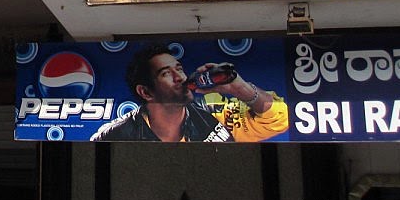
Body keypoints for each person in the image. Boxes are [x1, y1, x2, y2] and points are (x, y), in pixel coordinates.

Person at [91, 42, 288, 142]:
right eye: (166, 73)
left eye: (179, 69)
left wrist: (240, 88)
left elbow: (280, 119)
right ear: (146, 92)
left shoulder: (214, 111)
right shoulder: (115, 135)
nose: (180, 78)